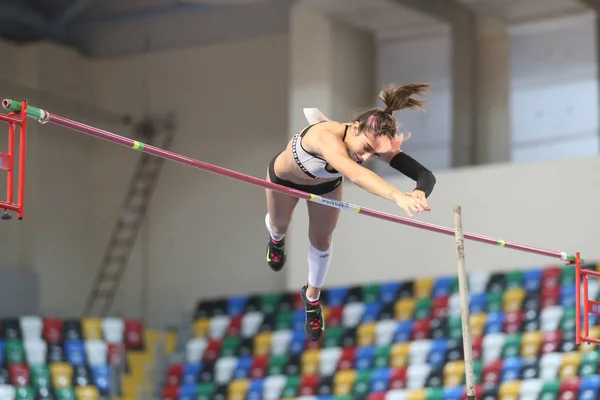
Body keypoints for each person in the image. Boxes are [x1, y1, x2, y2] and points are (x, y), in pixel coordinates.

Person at [263, 82, 437, 341]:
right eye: (366, 149)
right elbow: (355, 173)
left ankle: (312, 298)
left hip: (325, 187)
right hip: (284, 178)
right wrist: (397, 196)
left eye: (374, 154)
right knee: (279, 224)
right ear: (355, 128)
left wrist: (420, 192)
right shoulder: (325, 136)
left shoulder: (374, 141)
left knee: (321, 240)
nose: (367, 157)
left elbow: (424, 174)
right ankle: (276, 241)